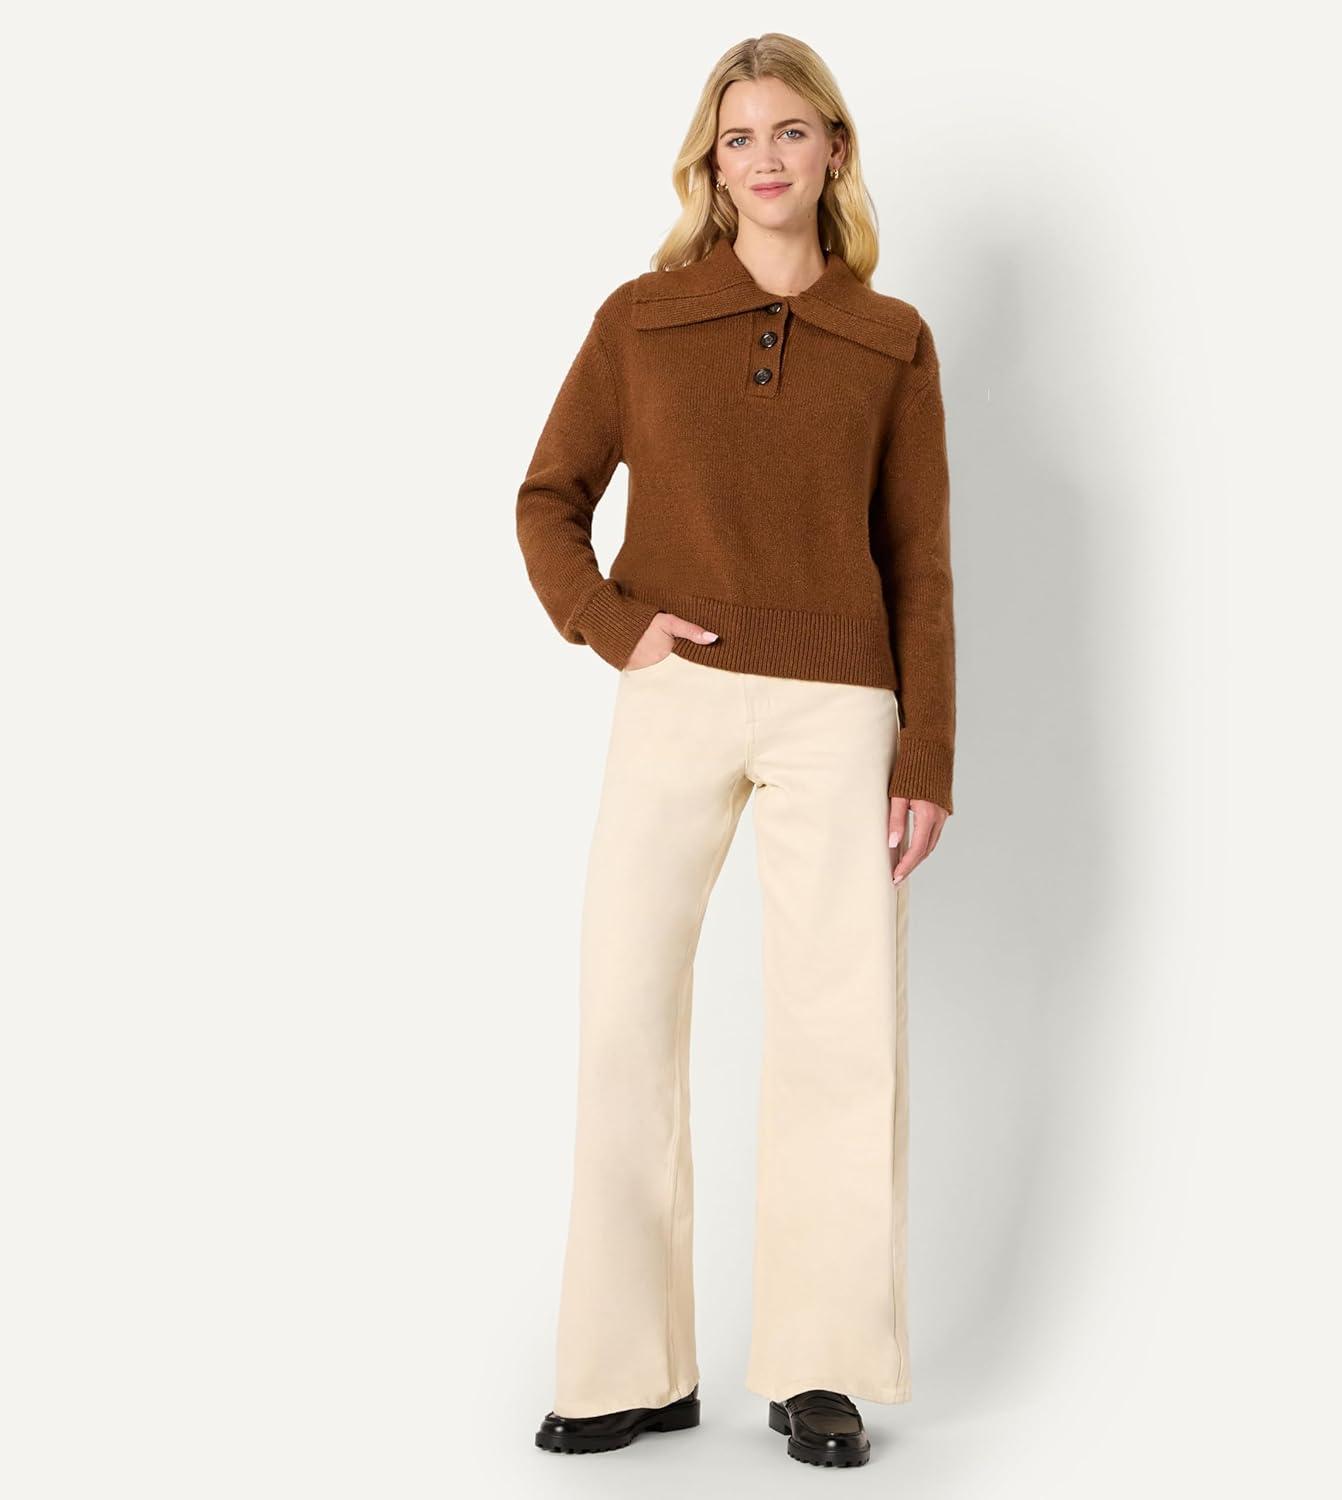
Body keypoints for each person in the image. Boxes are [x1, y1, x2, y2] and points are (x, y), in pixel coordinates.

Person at [517, 33, 956, 1468]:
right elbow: (549, 496)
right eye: (738, 137)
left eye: (790, 131)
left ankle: (820, 1366)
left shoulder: (891, 339)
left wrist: (927, 757)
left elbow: (920, 562)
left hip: (841, 712)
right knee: (624, 1011)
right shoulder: (644, 319)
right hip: (679, 692)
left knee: (841, 1032)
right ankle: (624, 1368)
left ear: (834, 150)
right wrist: (612, 625)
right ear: (711, 166)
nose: (765, 158)